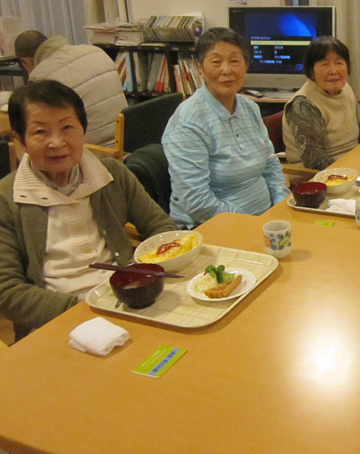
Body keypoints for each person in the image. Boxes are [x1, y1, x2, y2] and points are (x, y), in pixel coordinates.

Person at [0, 81, 176, 340]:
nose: (57, 142)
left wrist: (149, 280)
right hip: (56, 321)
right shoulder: (6, 197)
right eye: (41, 132)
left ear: (83, 129)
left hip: (129, 302)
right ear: (20, 140)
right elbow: (7, 291)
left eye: (67, 127)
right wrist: (81, 311)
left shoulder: (112, 174)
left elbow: (161, 228)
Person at [162, 27, 290, 228]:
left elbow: (270, 163)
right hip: (213, 228)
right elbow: (196, 201)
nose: (227, 70)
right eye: (216, 61)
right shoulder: (188, 122)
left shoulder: (250, 108)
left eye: (234, 61)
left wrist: (281, 204)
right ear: (200, 68)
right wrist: (249, 223)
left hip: (266, 219)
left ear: (246, 65)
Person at [13, 30, 128, 147]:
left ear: (27, 61)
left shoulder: (41, 77)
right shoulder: (95, 51)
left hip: (93, 150)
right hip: (126, 140)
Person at [282, 36, 360, 170]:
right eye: (324, 64)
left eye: (339, 63)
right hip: (318, 177)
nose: (334, 71)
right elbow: (316, 162)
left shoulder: (345, 88)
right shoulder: (303, 103)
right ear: (311, 71)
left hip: (354, 164)